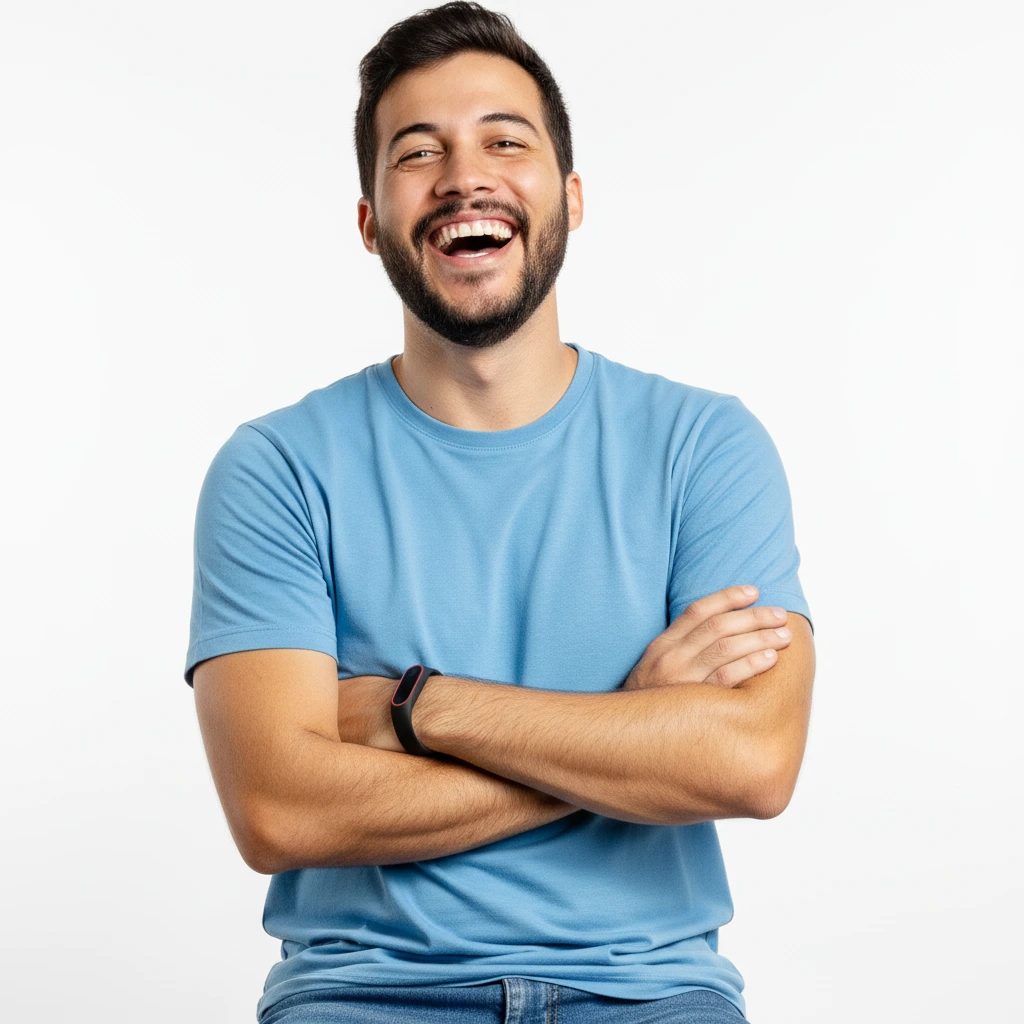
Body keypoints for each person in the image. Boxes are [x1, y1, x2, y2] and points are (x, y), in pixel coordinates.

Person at [184, 3, 816, 1021]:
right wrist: (633, 729)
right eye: (415, 152)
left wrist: (415, 705)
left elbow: (750, 761)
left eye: (503, 141)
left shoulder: (704, 445)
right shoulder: (278, 468)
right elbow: (277, 808)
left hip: (650, 991)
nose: (462, 177)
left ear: (568, 195)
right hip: (366, 992)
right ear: (368, 221)